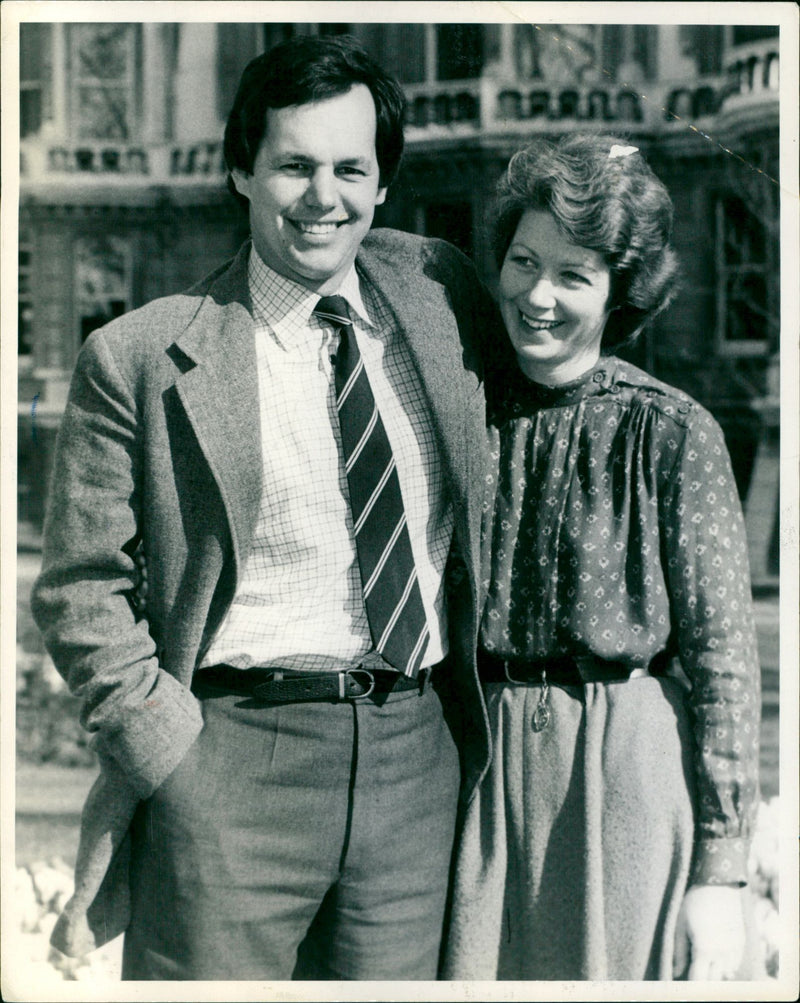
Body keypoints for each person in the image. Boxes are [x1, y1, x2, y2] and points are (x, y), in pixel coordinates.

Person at [31, 35, 496, 981]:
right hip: (232, 760)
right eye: (293, 165)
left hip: (415, 760)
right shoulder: (143, 356)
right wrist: (171, 757)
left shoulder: (441, 295)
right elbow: (82, 586)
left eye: (350, 168)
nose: (324, 196)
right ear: (241, 169)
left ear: (382, 183)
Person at [441, 134, 761, 981]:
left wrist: (721, 871)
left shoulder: (673, 431)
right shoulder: (460, 413)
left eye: (573, 276)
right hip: (481, 764)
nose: (537, 296)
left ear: (620, 293)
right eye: (523, 261)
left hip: (626, 766)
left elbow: (726, 657)